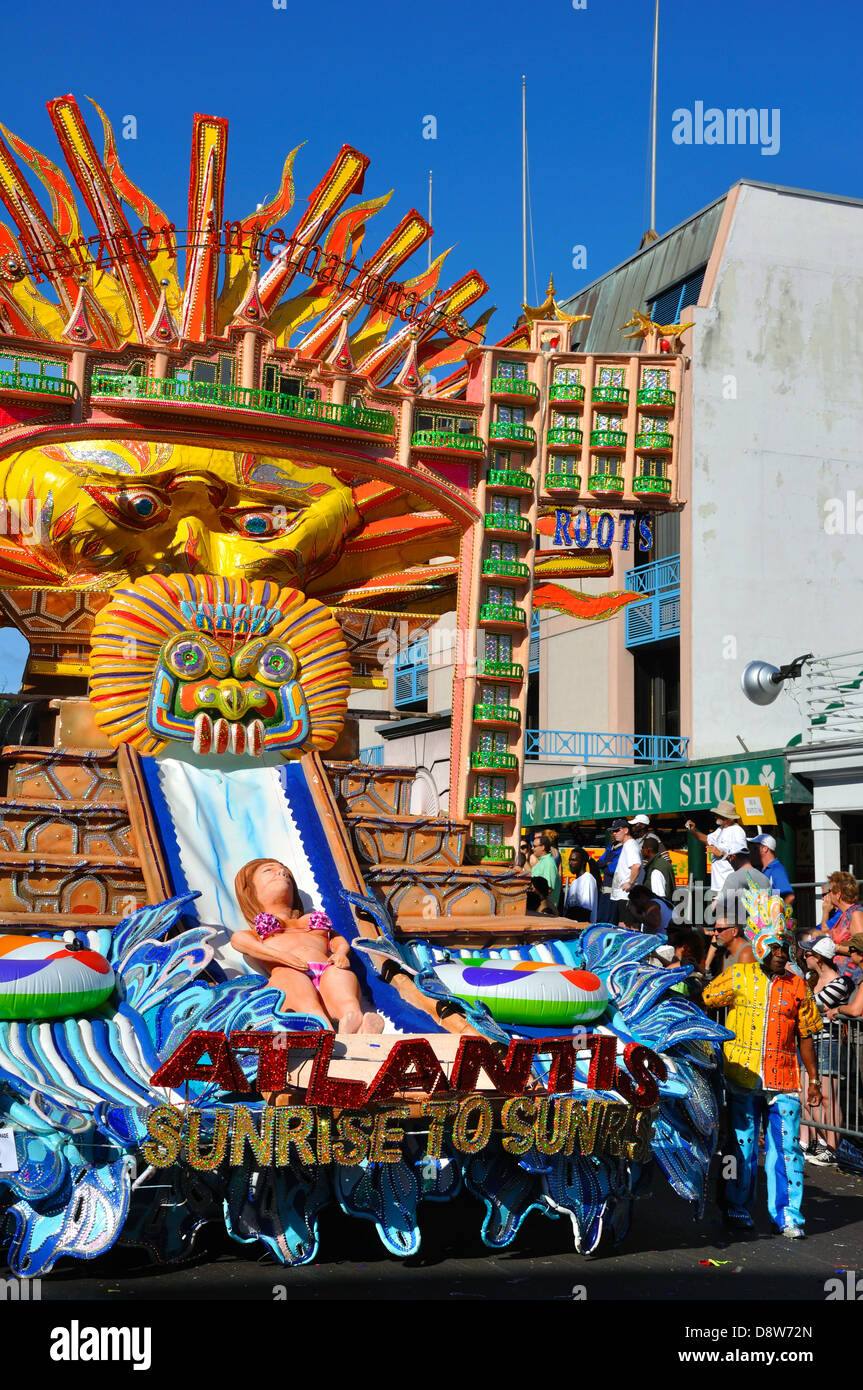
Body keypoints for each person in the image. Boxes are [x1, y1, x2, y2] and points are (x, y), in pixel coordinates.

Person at [702, 892, 823, 1239]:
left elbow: (806, 1036)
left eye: (785, 948)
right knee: (739, 1146)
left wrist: (813, 1078)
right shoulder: (738, 978)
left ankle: (788, 1215)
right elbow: (707, 1000)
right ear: (760, 947)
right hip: (741, 1075)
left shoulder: (798, 985)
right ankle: (735, 1207)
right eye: (774, 948)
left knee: (787, 1149)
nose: (781, 954)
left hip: (783, 1079)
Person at [232, 858, 384, 1034]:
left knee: (339, 976)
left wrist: (341, 952)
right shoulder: (258, 929)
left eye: (285, 872)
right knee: (289, 978)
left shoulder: (310, 920)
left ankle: (354, 1019)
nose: (281, 873)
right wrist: (281, 957)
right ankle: (321, 1027)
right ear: (250, 891)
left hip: (325, 969)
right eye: (269, 870)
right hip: (289, 973)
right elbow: (239, 940)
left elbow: (336, 940)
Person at [799, 937, 853, 1165]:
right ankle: (814, 1141)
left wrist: (808, 1003)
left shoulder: (841, 983)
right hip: (808, 1041)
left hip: (827, 1041)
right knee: (803, 1093)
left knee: (828, 1098)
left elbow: (811, 1006)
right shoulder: (810, 979)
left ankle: (831, 1147)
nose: (804, 957)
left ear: (819, 958)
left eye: (808, 954)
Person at [685, 800, 747, 894]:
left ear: (728, 818)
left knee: (726, 908)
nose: (716, 817)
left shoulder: (737, 831)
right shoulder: (720, 829)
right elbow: (707, 839)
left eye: (719, 815)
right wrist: (693, 830)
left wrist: (721, 853)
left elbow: (742, 855)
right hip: (718, 886)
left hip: (731, 886)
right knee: (718, 908)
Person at [820, 872, 863, 976]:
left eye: (829, 891)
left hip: (856, 978)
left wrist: (835, 948)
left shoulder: (855, 913)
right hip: (844, 977)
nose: (827, 895)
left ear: (838, 894)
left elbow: (860, 946)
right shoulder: (845, 914)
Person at [714, 849, 770, 928]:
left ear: (734, 857)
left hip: (742, 934)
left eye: (729, 859)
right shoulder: (765, 879)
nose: (729, 863)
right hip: (762, 933)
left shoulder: (733, 877)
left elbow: (721, 909)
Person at [704, 897, 756, 976]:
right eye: (715, 930)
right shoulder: (727, 953)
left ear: (734, 931)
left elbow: (743, 986)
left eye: (720, 930)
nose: (716, 933)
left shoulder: (746, 953)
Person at [608, 818, 644, 922]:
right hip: (625, 896)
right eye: (613, 831)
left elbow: (636, 865)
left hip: (628, 896)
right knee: (623, 926)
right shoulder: (628, 845)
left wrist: (630, 883)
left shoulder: (630, 845)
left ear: (626, 830)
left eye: (617, 830)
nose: (614, 833)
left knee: (627, 928)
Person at [748, 833, 794, 906]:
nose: (751, 851)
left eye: (755, 848)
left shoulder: (777, 870)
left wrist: (776, 915)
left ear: (765, 849)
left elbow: (790, 897)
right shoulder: (758, 870)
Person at [667, 927, 708, 1006]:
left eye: (677, 946)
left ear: (683, 948)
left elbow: (665, 972)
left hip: (679, 1005)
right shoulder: (695, 964)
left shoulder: (686, 963)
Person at [563, 846, 598, 923]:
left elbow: (586, 911)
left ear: (582, 862)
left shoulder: (588, 879)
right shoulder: (573, 883)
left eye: (573, 860)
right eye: (569, 860)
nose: (570, 863)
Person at [641, 833, 676, 903]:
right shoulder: (663, 863)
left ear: (648, 850)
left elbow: (659, 898)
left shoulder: (655, 870)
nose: (641, 850)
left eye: (643, 848)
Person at [530, 833, 561, 911]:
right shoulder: (542, 861)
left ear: (543, 847)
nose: (532, 848)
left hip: (545, 910)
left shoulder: (549, 863)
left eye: (534, 846)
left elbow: (548, 889)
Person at [594, 835, 622, 923]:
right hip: (605, 889)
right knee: (601, 920)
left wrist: (604, 865)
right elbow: (598, 863)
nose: (612, 835)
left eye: (615, 831)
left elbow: (611, 870)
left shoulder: (622, 850)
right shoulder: (609, 848)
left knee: (610, 921)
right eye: (611, 832)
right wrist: (606, 863)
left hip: (614, 891)